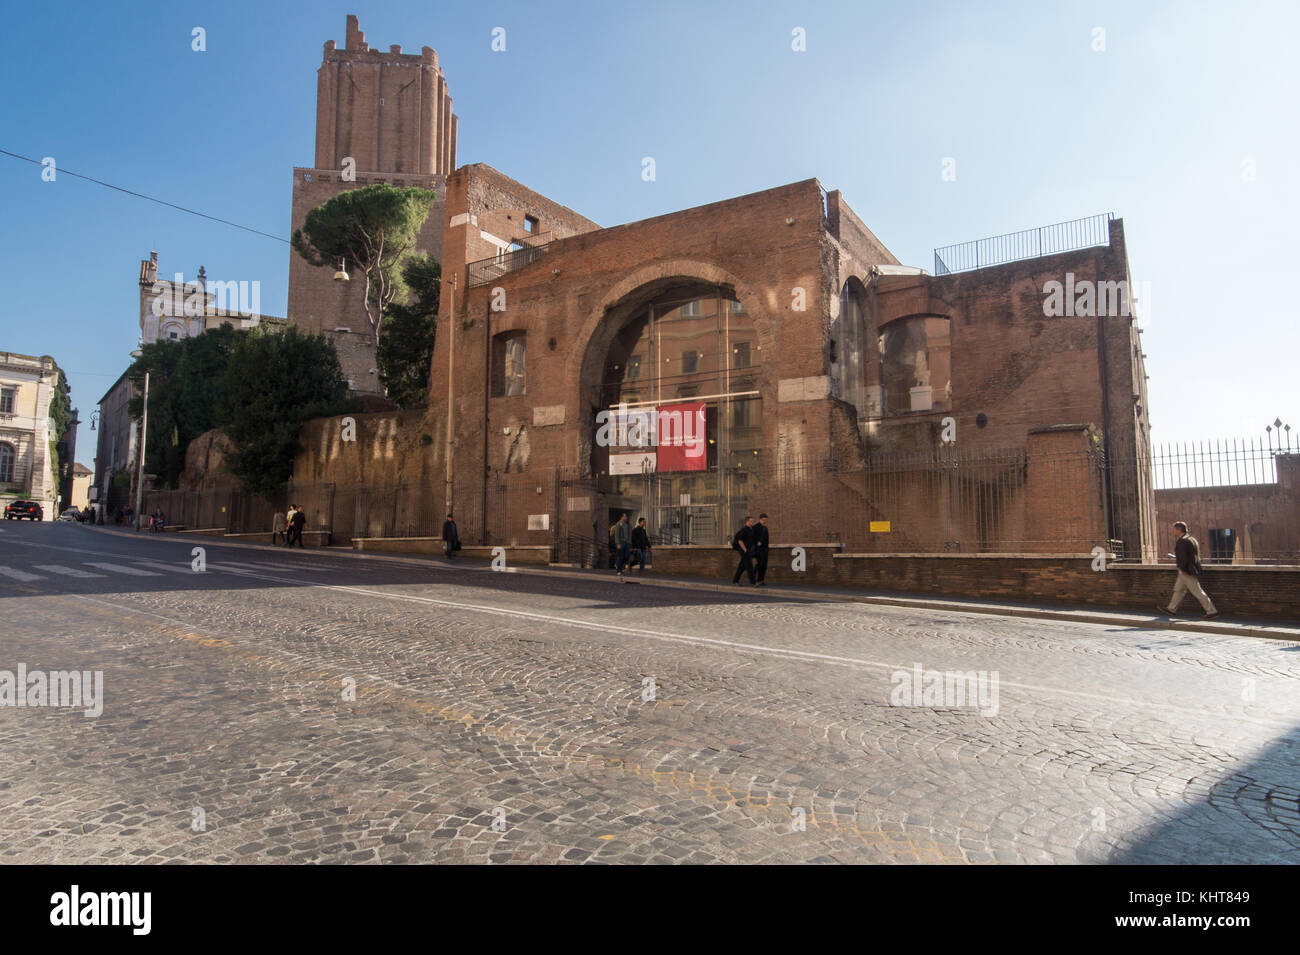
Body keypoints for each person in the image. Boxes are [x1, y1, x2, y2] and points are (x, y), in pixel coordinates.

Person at [1160, 521, 1218, 619]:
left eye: (1174, 529)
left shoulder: (1182, 540)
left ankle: (1212, 611)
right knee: (1179, 590)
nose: (1172, 531)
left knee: (1197, 591)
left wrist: (1183, 568)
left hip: (1186, 570)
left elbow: (1183, 557)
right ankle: (1171, 609)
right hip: (1190, 568)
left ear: (1179, 530)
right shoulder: (1192, 539)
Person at [732, 516, 757, 586]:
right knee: (750, 566)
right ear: (747, 522)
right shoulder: (744, 530)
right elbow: (740, 541)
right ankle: (753, 583)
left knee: (742, 566)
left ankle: (735, 581)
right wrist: (745, 550)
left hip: (748, 550)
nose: (753, 522)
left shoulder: (751, 530)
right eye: (751, 521)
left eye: (753, 521)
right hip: (744, 550)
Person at [752, 513, 770, 586]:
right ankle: (754, 577)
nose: (764, 521)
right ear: (760, 519)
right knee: (760, 564)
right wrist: (757, 542)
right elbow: (752, 537)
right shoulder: (755, 527)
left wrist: (767, 547)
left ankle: (761, 580)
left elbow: (767, 539)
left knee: (764, 565)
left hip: (765, 549)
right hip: (758, 549)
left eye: (765, 520)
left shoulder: (765, 528)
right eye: (763, 520)